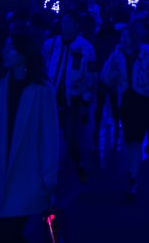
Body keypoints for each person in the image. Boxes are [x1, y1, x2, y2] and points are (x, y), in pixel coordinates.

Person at [0, 30, 59, 243]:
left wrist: (49, 178)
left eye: (11, 48)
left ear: (24, 53)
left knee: (10, 233)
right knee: (7, 234)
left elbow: (49, 137)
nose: (6, 52)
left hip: (27, 174)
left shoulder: (42, 90)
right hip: (1, 170)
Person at [101, 24, 149, 200]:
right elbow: (106, 75)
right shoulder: (117, 54)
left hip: (142, 100)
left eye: (127, 36)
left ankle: (133, 177)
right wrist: (113, 76)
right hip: (126, 100)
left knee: (136, 140)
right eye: (122, 37)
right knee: (129, 139)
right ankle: (132, 173)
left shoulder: (146, 52)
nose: (124, 40)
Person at [42, 12, 96, 182]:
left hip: (72, 98)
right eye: (63, 22)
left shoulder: (85, 48)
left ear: (76, 25)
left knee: (71, 135)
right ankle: (50, 168)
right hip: (51, 96)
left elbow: (91, 76)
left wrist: (86, 100)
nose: (65, 26)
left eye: (69, 22)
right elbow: (41, 66)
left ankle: (78, 162)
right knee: (48, 134)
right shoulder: (50, 45)